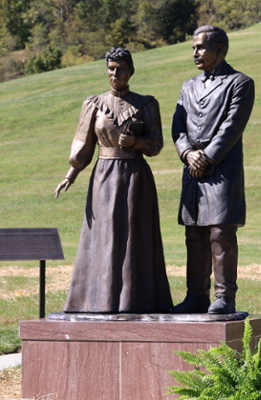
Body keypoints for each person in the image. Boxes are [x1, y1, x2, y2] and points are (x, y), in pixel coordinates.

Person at [55, 48, 173, 313]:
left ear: (130, 71)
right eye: (111, 68)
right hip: (104, 177)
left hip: (135, 178)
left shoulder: (146, 104)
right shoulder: (93, 104)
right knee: (104, 235)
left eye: (120, 68)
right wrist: (70, 174)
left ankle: (138, 300)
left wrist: (136, 142)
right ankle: (98, 300)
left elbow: (156, 145)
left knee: (135, 237)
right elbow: (84, 145)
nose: (115, 73)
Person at [170, 25, 255, 314]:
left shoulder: (240, 83)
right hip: (192, 168)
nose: (195, 52)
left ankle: (225, 297)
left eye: (201, 47)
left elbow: (232, 126)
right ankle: (196, 295)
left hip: (221, 170)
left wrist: (206, 157)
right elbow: (177, 126)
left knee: (220, 234)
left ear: (220, 49)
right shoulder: (188, 86)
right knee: (193, 235)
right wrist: (187, 153)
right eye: (193, 47)